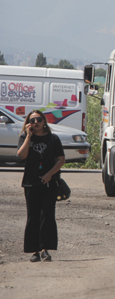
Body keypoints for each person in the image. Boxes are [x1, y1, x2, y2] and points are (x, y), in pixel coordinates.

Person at [17, 110, 65, 262]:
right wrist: (29, 136)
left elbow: (61, 159)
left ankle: (45, 249)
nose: (35, 122)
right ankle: (34, 251)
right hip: (31, 182)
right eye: (32, 120)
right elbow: (21, 155)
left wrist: (50, 174)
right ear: (28, 123)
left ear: (44, 121)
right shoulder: (25, 137)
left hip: (49, 181)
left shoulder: (53, 138)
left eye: (38, 119)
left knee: (48, 215)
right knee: (33, 216)